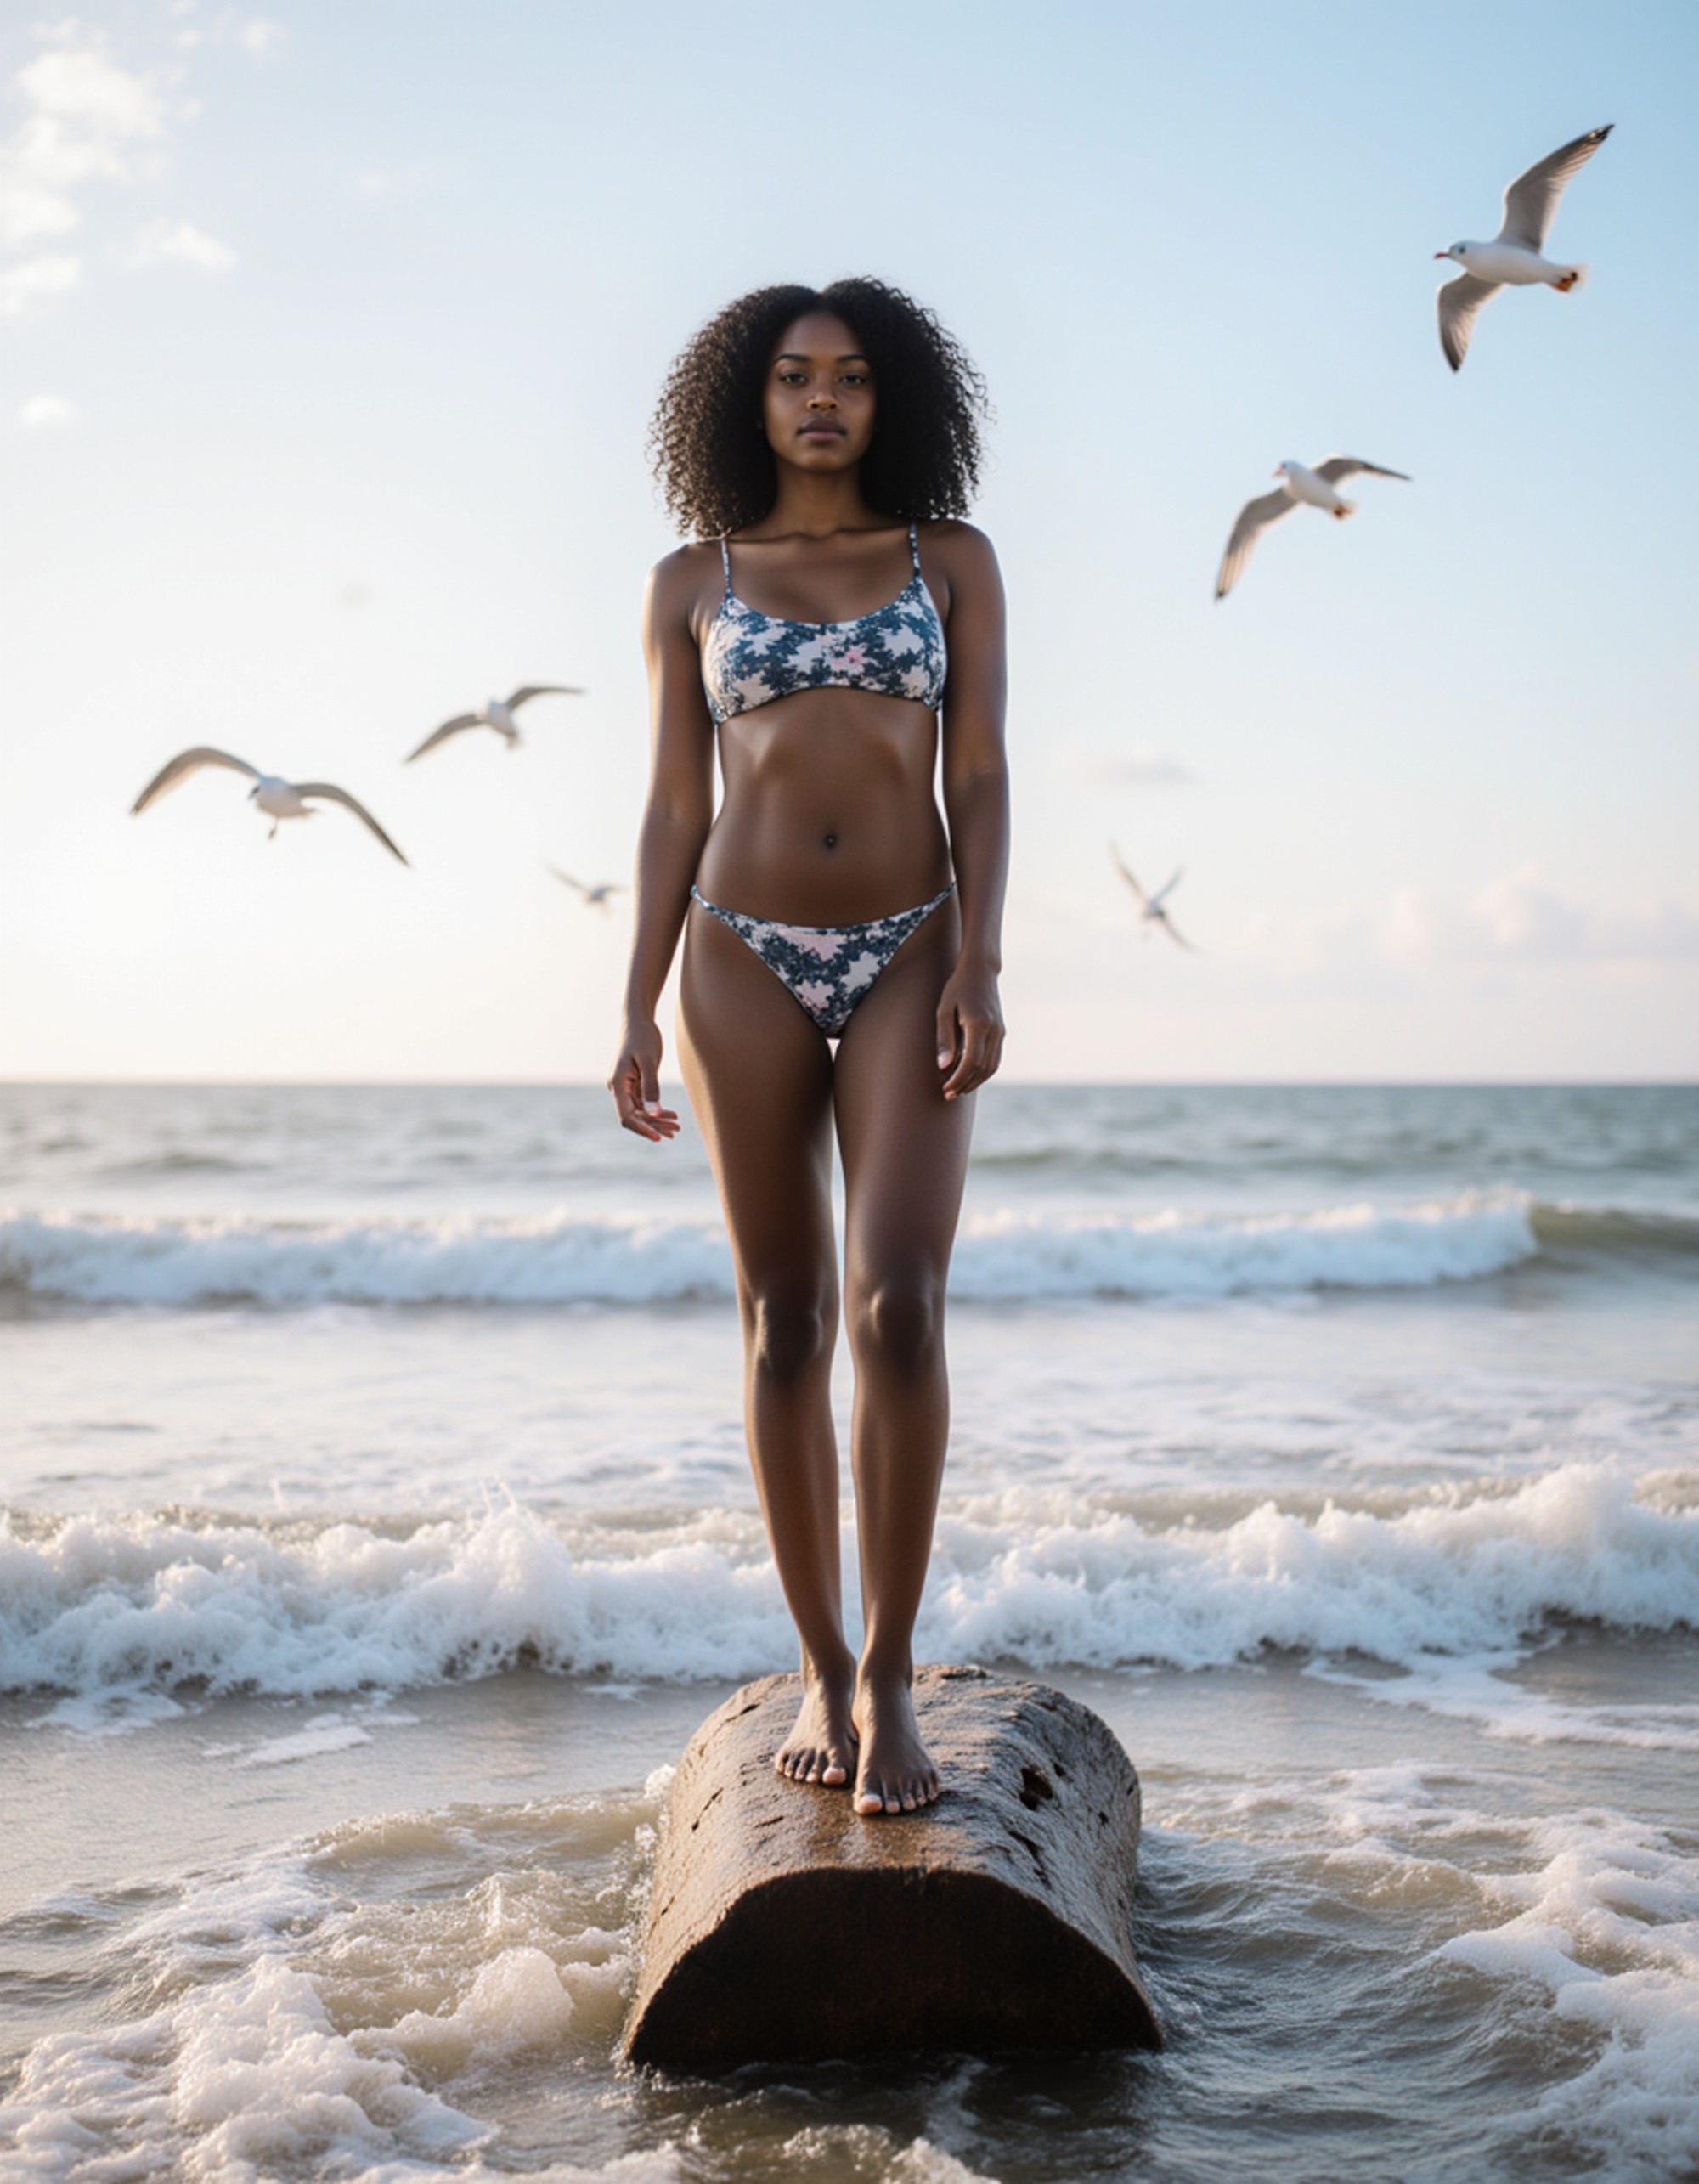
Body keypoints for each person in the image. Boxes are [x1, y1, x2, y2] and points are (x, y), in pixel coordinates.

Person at [609, 279, 1009, 1816]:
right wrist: (636, 998)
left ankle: (898, 1671)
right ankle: (824, 1670)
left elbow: (978, 773)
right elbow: (668, 808)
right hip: (739, 954)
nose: (822, 400)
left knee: (899, 1306)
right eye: (791, 378)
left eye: (847, 377)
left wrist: (979, 955)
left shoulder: (950, 562)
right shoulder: (690, 582)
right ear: (749, 402)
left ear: (889, 395)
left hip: (913, 941)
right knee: (786, 1319)